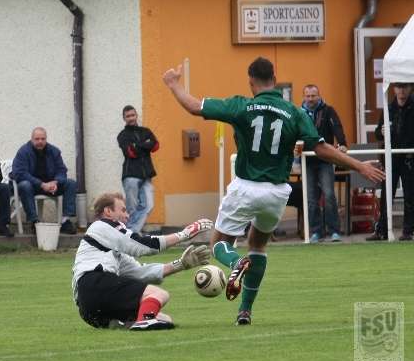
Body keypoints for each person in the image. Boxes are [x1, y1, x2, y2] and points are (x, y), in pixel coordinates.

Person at [163, 57, 384, 325]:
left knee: (219, 244)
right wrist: (359, 165)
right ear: (274, 80)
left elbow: (194, 106)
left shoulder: (241, 106)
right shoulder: (295, 112)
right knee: (257, 245)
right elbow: (322, 148)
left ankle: (235, 264)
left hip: (245, 187)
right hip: (277, 193)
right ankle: (245, 310)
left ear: (250, 81)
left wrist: (174, 84)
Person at [72, 192, 213, 330]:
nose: (127, 215)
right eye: (123, 210)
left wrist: (181, 264)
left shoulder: (109, 246)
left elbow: (141, 273)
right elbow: (144, 245)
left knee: (164, 319)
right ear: (108, 211)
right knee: (159, 294)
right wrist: (185, 234)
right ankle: (144, 321)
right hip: (94, 285)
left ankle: (126, 322)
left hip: (89, 309)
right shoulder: (102, 226)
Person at [301, 84, 349, 243]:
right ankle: (316, 232)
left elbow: (337, 127)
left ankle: (334, 230)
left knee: (329, 195)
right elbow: (293, 132)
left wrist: (342, 143)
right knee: (311, 198)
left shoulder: (328, 110)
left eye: (313, 96)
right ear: (304, 97)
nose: (310, 99)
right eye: (308, 96)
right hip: (307, 160)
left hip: (326, 160)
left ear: (319, 96)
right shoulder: (299, 113)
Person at [368, 82, 414, 241]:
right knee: (387, 195)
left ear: (410, 88)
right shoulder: (388, 108)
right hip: (391, 159)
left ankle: (408, 231)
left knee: (410, 196)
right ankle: (382, 230)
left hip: (409, 158)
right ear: (394, 89)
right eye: (399, 87)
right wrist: (381, 132)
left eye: (405, 87)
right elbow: (377, 133)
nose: (402, 91)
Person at [12, 127, 77, 234]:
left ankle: (65, 221)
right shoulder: (23, 152)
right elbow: (20, 173)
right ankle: (34, 222)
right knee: (24, 185)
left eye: (43, 139)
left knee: (71, 183)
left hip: (51, 186)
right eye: (37, 139)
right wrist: (41, 184)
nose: (40, 142)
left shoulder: (54, 151)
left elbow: (62, 170)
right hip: (32, 186)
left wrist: (55, 182)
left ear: (46, 139)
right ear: (32, 139)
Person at [117, 105, 159, 233]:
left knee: (149, 205)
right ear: (124, 118)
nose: (131, 118)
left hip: (146, 175)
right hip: (130, 176)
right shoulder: (122, 135)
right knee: (132, 208)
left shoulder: (145, 131)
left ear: (136, 115)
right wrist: (145, 144)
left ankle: (131, 231)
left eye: (132, 115)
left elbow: (156, 146)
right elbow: (131, 153)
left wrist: (137, 145)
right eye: (128, 116)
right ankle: (132, 233)